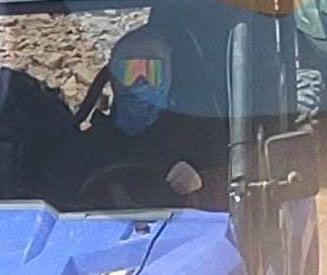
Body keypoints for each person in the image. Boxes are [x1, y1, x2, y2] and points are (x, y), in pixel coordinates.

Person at [69, 24, 228, 210]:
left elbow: (238, 201)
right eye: (129, 71)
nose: (141, 81)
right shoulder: (86, 147)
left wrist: (201, 183)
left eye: (153, 70)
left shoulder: (204, 139)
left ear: (171, 75)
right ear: (112, 78)